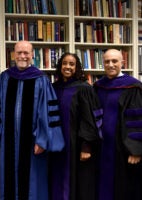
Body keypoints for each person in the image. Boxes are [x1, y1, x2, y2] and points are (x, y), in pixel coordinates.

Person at [0, 40, 65, 200]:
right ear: (14, 54)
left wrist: (42, 140)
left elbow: (47, 112)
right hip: (9, 142)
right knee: (10, 182)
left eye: (26, 53)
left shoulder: (41, 79)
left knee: (33, 185)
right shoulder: (5, 78)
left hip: (33, 143)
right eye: (19, 53)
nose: (23, 56)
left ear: (32, 55)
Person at [93, 49, 142, 200]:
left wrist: (137, 150)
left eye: (114, 61)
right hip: (101, 149)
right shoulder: (97, 87)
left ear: (122, 63)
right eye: (107, 61)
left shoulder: (135, 88)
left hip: (125, 151)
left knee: (126, 190)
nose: (110, 64)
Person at [50, 52, 102, 200]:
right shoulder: (53, 88)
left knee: (77, 183)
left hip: (76, 146)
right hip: (56, 145)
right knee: (56, 178)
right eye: (64, 63)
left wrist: (86, 146)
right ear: (60, 66)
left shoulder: (84, 89)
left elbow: (90, 119)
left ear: (77, 67)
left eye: (71, 64)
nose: (67, 67)